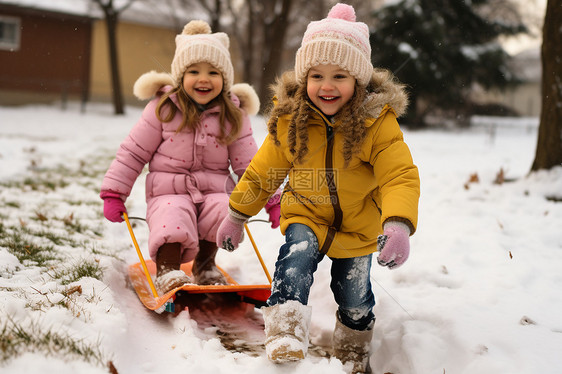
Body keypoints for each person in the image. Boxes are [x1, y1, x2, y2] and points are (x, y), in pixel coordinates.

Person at [215, 3, 420, 373]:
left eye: (340, 76)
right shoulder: (292, 121)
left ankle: (353, 352)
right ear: (304, 77)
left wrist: (398, 224)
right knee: (295, 259)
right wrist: (236, 215)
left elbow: (399, 175)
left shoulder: (377, 124)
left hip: (359, 226)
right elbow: (263, 172)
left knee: (354, 296)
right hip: (306, 213)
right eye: (317, 75)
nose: (326, 86)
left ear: (358, 80)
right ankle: (286, 332)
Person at [100, 20, 278, 295]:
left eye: (213, 72)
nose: (203, 79)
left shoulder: (233, 116)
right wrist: (114, 192)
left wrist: (272, 201)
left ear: (225, 79)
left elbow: (252, 167)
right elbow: (133, 153)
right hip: (168, 191)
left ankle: (205, 265)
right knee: (173, 213)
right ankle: (168, 270)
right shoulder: (163, 109)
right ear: (180, 76)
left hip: (215, 190)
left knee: (226, 209)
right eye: (194, 71)